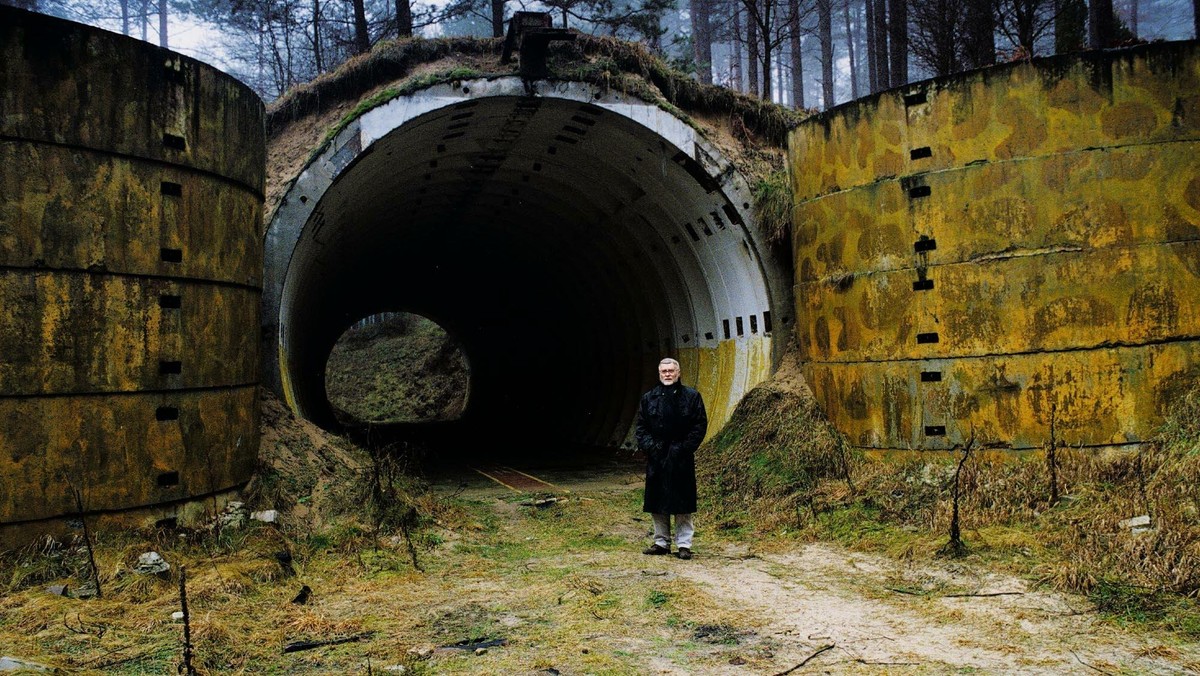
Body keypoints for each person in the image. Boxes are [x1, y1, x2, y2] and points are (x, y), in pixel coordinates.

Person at [636, 357, 708, 560]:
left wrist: (684, 449)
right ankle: (661, 542)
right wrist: (651, 448)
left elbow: (699, 425)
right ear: (659, 374)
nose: (667, 374)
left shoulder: (692, 397)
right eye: (663, 371)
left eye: (671, 370)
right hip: (657, 457)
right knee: (657, 501)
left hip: (681, 458)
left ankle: (684, 545)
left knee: (682, 503)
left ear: (678, 372)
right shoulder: (649, 398)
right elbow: (641, 428)